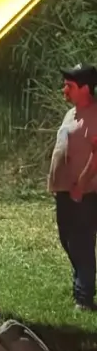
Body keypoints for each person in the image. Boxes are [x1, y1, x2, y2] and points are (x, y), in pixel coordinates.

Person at [48, 64, 97, 311]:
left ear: (85, 88)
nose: (64, 89)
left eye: (69, 86)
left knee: (82, 242)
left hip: (84, 194)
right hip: (66, 191)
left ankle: (84, 297)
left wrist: (82, 184)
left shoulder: (94, 115)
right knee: (67, 239)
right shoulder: (71, 113)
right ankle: (81, 282)